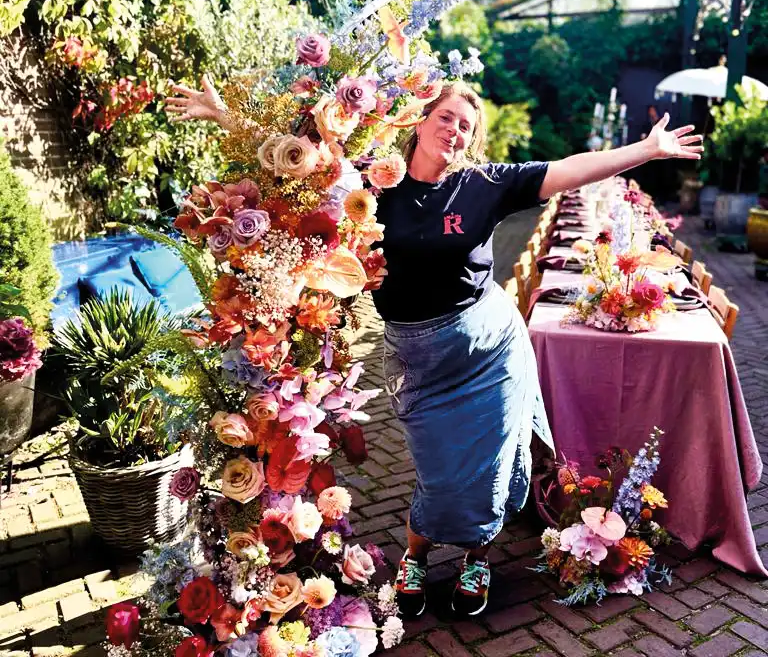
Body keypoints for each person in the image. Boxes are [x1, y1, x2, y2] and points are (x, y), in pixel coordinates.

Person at [165, 78, 704, 618]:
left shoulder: (483, 185)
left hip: (491, 352)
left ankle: (477, 558)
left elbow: (569, 168)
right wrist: (225, 116)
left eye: (465, 125)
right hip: (419, 357)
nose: (454, 129)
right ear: (419, 121)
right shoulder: (374, 183)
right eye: (445, 117)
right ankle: (417, 554)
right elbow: (298, 159)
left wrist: (647, 150)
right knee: (438, 469)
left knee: (489, 467)